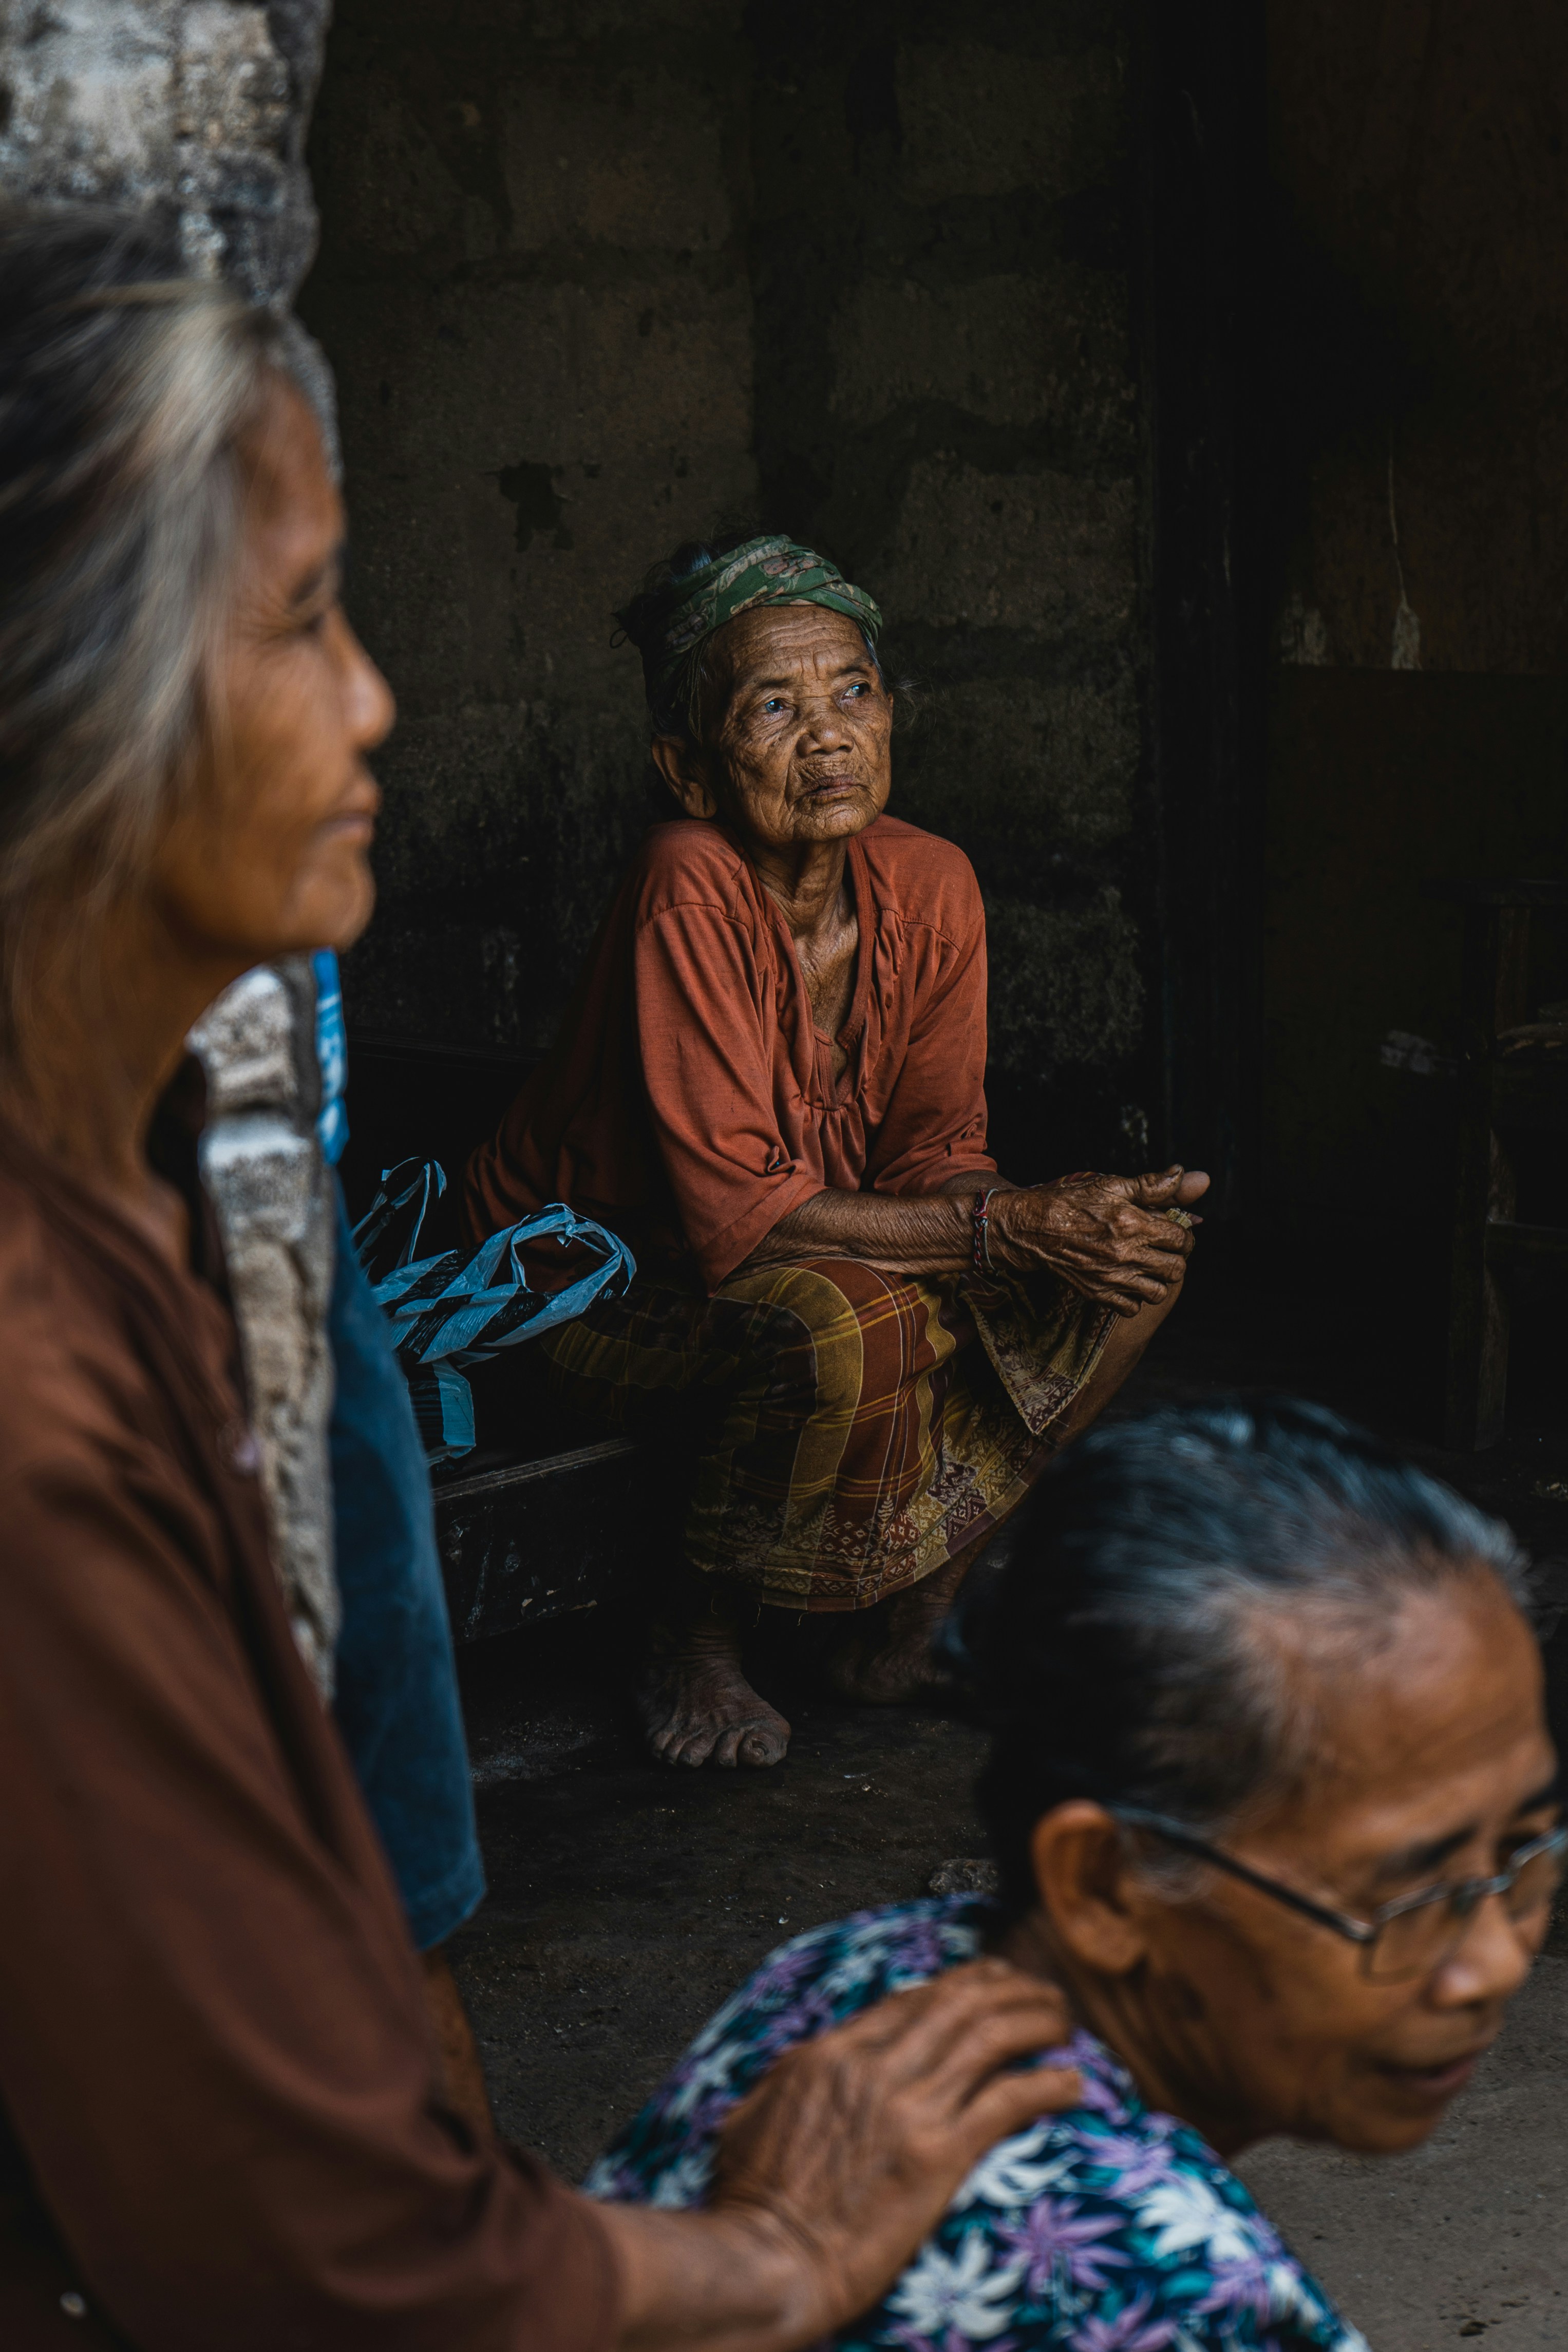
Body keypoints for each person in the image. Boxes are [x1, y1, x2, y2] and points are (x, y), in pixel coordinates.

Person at [0, 205, 1085, 2346]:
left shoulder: (189, 1277)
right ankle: (714, 1610)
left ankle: (882, 1600)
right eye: (304, 619)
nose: (380, 695)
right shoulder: (56, 1385)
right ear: (69, 711)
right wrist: (757, 2252)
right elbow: (309, 2226)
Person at [584, 1396, 1562, 2350]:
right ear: (1100, 1886)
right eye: (1406, 1895)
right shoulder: (1172, 2293)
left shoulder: (850, 1973)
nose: (1489, 1970)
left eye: (1524, 1853)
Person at [465, 532, 1210, 1770]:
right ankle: (690, 1637)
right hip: (578, 1286)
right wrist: (1005, 1227)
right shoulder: (685, 877)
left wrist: (1056, 1219)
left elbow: (933, 1156)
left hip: (801, 1257)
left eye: (852, 691)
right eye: (773, 706)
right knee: (851, 1323)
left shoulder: (931, 882)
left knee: (1136, 1265)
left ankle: (907, 1625)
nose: (828, 734)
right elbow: (734, 1221)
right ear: (689, 770)